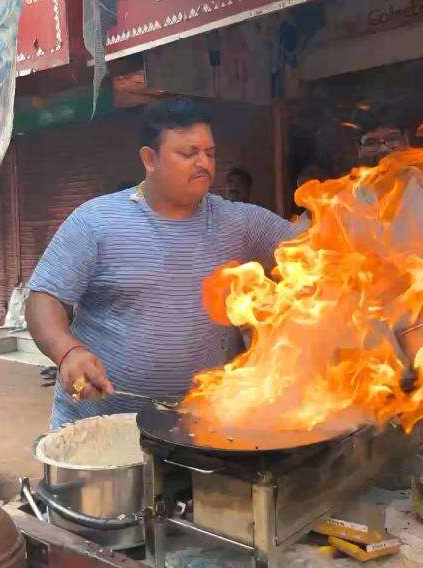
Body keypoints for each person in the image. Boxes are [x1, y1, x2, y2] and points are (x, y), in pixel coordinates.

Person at [26, 98, 307, 429]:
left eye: (210, 153)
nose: (204, 163)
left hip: (192, 429)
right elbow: (43, 298)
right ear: (150, 159)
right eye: (188, 154)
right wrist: (67, 352)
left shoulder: (239, 223)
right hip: (98, 428)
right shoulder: (96, 221)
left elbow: (314, 255)